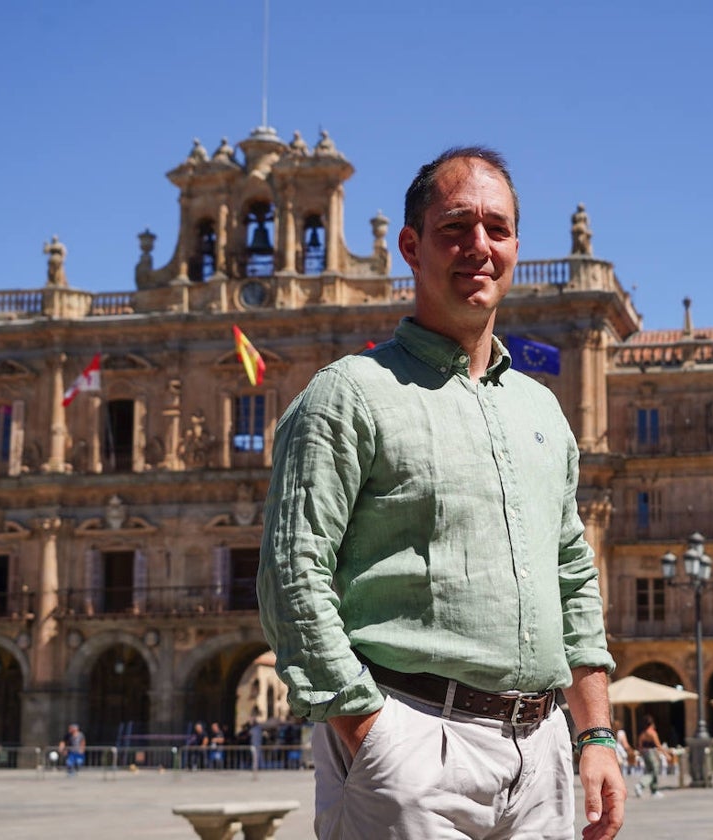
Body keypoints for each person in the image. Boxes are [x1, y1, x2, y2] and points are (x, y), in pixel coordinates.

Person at [258, 146, 623, 840]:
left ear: (515, 246)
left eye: (497, 228)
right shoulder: (347, 396)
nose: (478, 247)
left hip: (541, 755)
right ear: (410, 246)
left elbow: (573, 576)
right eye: (456, 227)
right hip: (410, 741)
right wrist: (372, 735)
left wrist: (596, 733)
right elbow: (291, 573)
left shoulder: (542, 411)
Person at [635, 715, 668, 798]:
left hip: (645, 753)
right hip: (651, 753)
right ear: (652, 723)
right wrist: (666, 754)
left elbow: (640, 746)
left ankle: (653, 790)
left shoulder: (642, 734)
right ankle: (641, 785)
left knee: (650, 770)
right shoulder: (652, 733)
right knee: (654, 771)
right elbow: (658, 745)